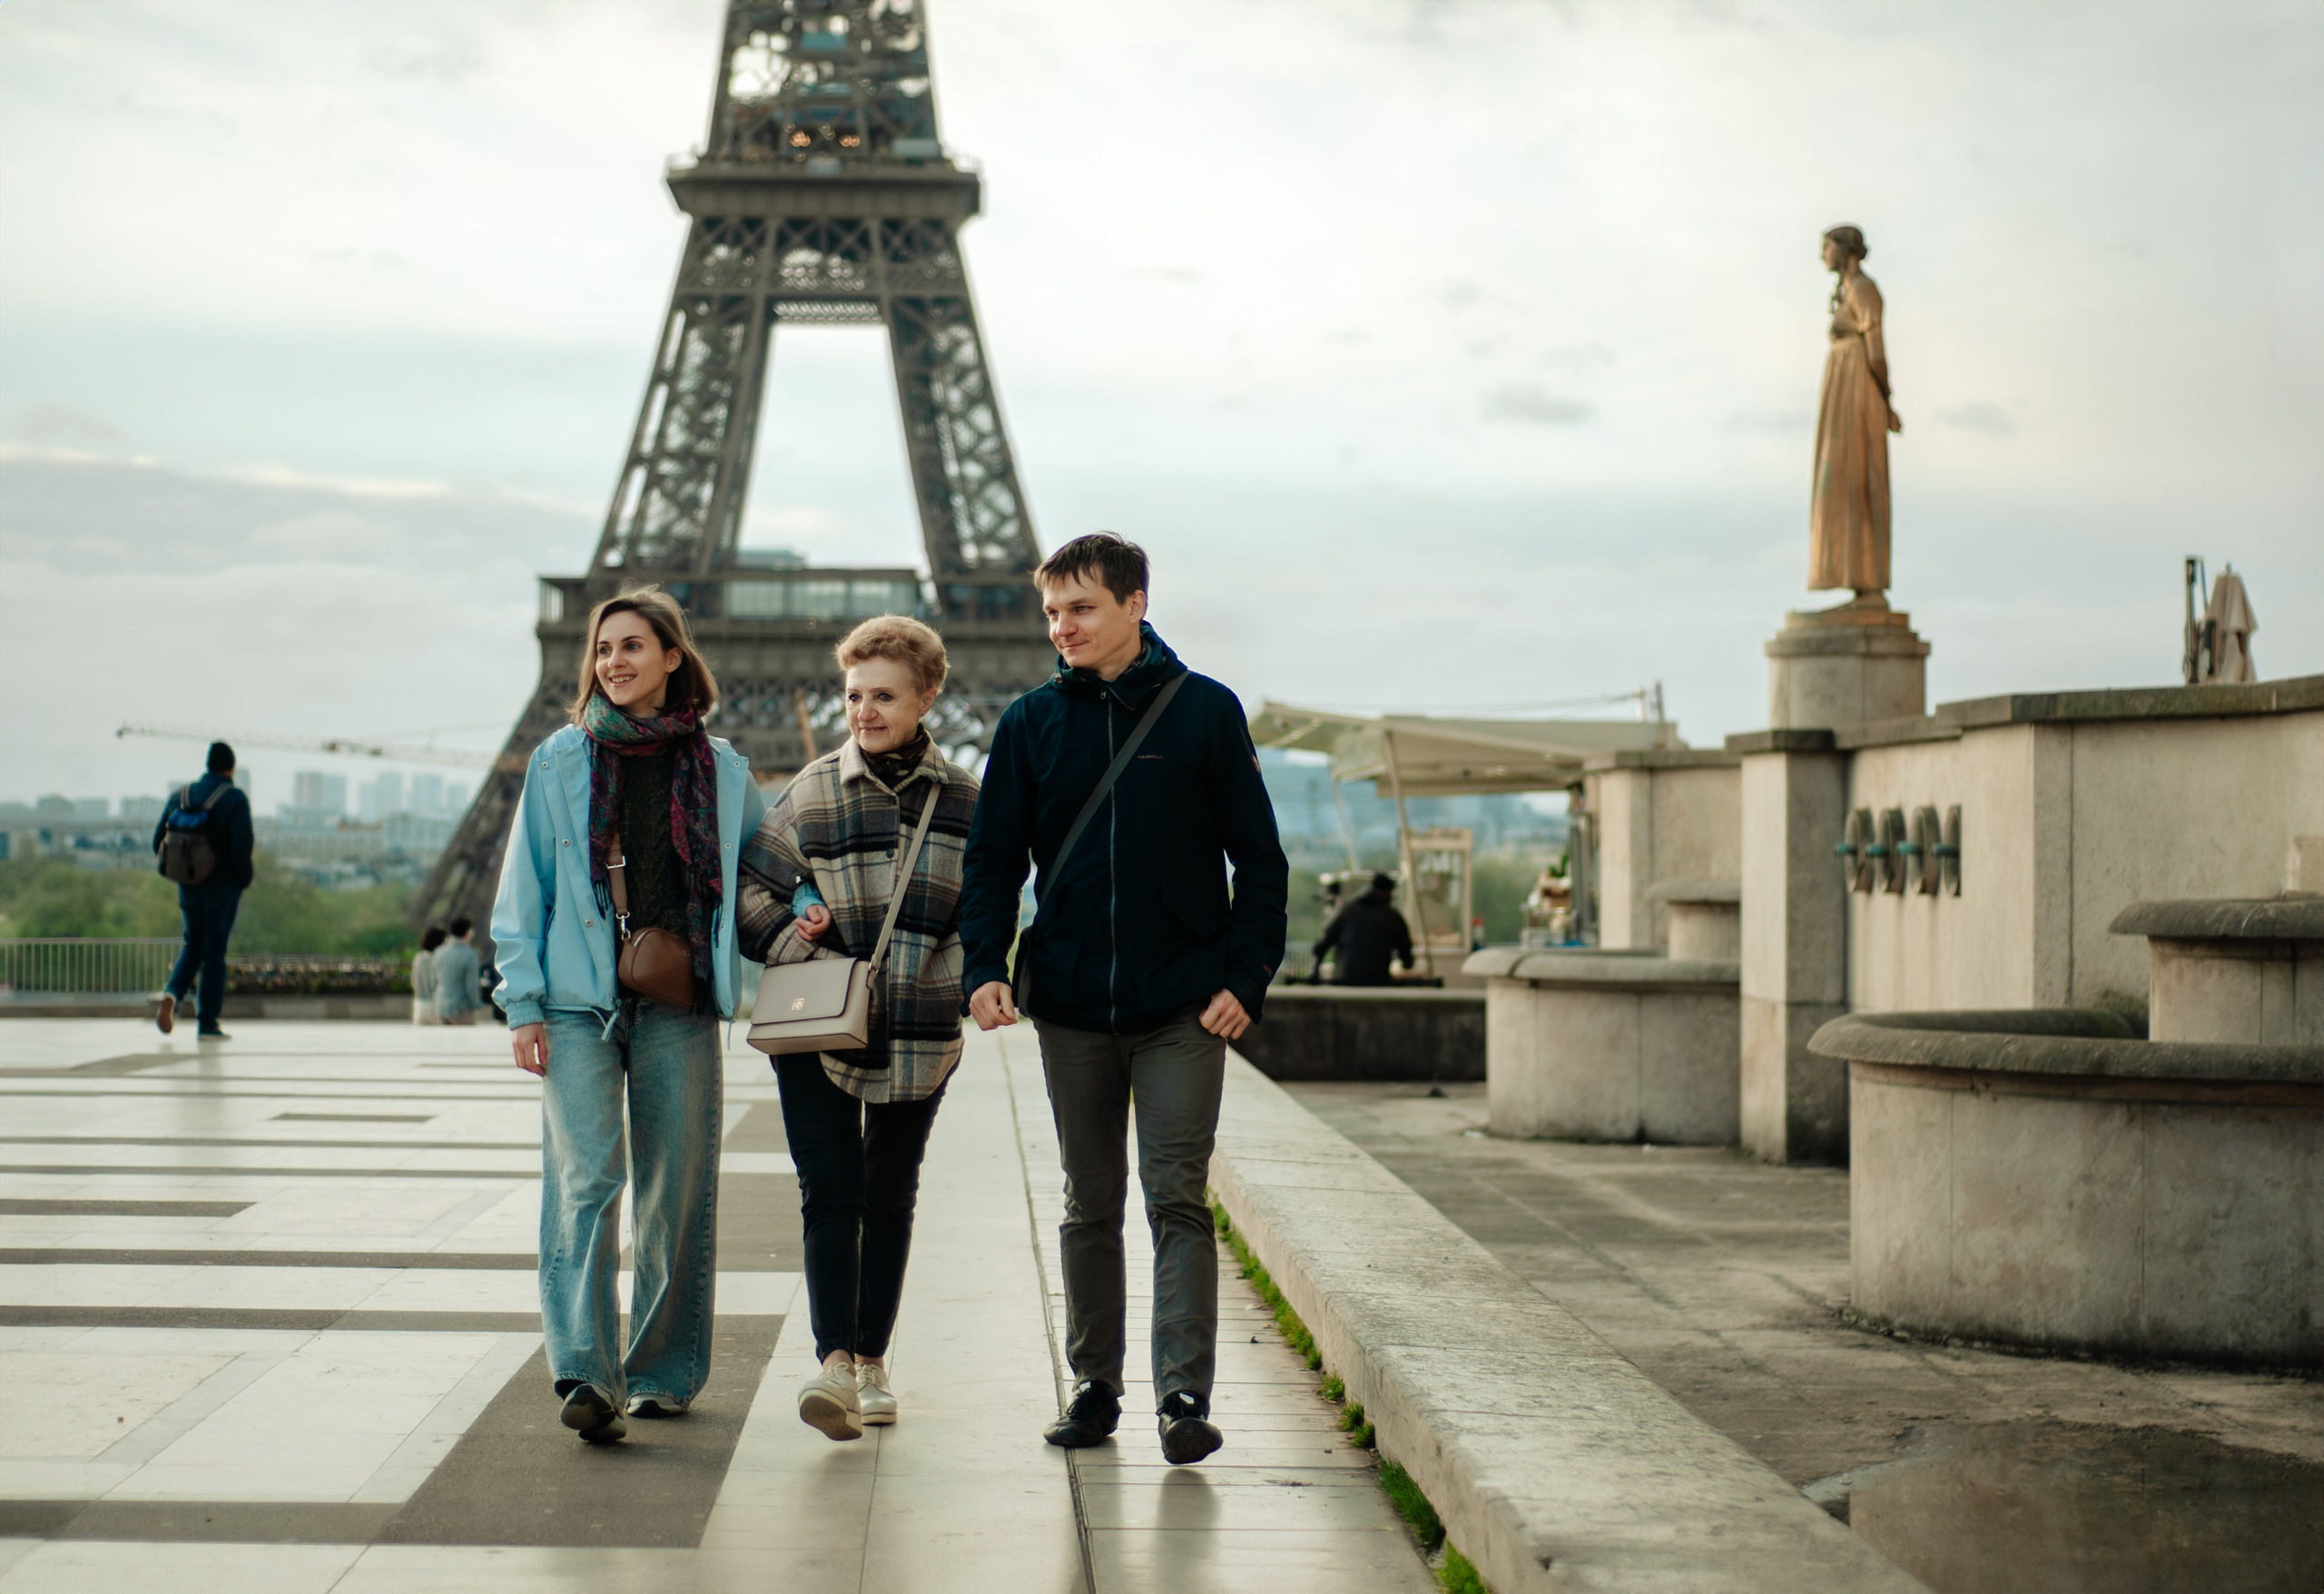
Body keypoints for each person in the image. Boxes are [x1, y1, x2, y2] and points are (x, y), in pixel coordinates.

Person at [959, 533, 1288, 1466]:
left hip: (1183, 1001)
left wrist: (1243, 977)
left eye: (1082, 609)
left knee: (1175, 1195)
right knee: (1088, 1200)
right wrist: (986, 961)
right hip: (1068, 1001)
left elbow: (1259, 861)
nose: (1062, 627)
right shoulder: (1028, 723)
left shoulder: (1204, 714)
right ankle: (1096, 1383)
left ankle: (1182, 1393)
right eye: (1052, 612)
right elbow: (992, 860)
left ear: (1136, 603)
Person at [491, 586, 766, 1445]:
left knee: (674, 1191)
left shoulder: (722, 769)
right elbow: (523, 889)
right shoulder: (559, 761)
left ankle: (659, 1372)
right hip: (577, 1005)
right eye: (603, 648)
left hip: (677, 1001)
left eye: (633, 647)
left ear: (672, 657)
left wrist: (799, 915)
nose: (613, 662)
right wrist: (523, 1004)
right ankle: (586, 1373)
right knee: (586, 1182)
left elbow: (766, 869)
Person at [736, 615, 980, 1441]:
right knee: (829, 1192)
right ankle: (834, 1363)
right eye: (852, 696)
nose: (865, 712)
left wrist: (955, 978)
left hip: (919, 1020)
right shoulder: (808, 793)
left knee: (891, 1191)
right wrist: (795, 938)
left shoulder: (967, 804)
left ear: (927, 696)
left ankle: (873, 1358)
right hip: (818, 1022)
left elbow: (987, 913)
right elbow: (749, 896)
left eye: (883, 696)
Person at [1809, 223, 1903, 604]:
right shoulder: (1850, 292)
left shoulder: (1865, 290)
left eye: (1827, 247)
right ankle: (1850, 574)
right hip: (1844, 391)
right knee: (1841, 481)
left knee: (1860, 480)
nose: (1822, 256)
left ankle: (1868, 579)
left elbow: (1877, 353)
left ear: (1844, 250)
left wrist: (1886, 399)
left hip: (1859, 392)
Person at [152, 741, 255, 1040]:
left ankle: (172, 993)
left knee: (193, 942)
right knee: (214, 951)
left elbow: (159, 840)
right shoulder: (233, 798)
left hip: (188, 886)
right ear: (230, 768)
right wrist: (243, 880)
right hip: (221, 888)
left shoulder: (181, 795)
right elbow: (241, 847)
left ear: (208, 765)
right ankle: (207, 1022)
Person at [1314, 871, 1414, 986]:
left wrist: (1315, 970)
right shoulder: (1392, 917)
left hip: (1344, 979)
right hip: (1376, 982)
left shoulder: (1347, 910)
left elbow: (1323, 942)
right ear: (1389, 892)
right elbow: (1407, 957)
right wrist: (1406, 962)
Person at [433, 918, 482, 1026]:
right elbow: (471, 985)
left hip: (441, 1005)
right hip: (461, 1007)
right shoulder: (470, 955)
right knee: (464, 1041)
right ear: (468, 933)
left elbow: (434, 981)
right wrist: (475, 1003)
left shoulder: (439, 952)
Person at [411, 925, 448, 1025]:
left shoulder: (419, 958)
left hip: (419, 1004)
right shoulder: (438, 959)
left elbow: (413, 982)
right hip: (435, 1005)